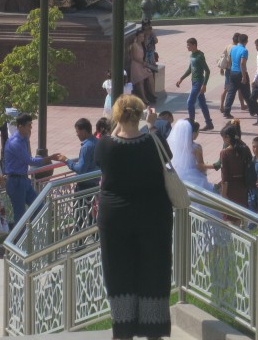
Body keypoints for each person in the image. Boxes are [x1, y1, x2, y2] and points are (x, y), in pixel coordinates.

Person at [95, 94, 172, 340]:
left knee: (118, 271)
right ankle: (153, 331)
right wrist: (150, 124)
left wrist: (118, 123)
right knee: (154, 268)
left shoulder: (105, 145)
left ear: (117, 116)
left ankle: (123, 330)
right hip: (153, 218)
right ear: (140, 114)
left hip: (115, 218)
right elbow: (166, 157)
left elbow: (107, 153)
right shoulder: (154, 140)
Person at [3, 113, 49, 225]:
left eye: (31, 125)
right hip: (15, 181)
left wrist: (27, 139)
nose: (30, 128)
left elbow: (28, 156)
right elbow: (29, 160)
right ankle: (18, 238)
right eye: (28, 125)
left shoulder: (23, 139)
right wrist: (49, 158)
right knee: (20, 215)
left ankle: (28, 231)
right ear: (20, 126)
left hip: (24, 179)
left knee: (39, 207)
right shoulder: (15, 142)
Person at [175, 37, 213, 130]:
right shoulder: (192, 55)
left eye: (189, 45)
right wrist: (181, 78)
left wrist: (204, 85)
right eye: (187, 45)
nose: (187, 47)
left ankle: (191, 124)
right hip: (194, 81)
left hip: (199, 82)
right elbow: (190, 69)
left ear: (194, 45)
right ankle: (209, 123)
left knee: (190, 102)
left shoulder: (199, 56)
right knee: (202, 103)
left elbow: (207, 71)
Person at [51, 118, 99, 190]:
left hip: (85, 186)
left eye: (77, 132)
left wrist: (66, 160)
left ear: (83, 132)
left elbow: (80, 169)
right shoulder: (97, 142)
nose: (77, 134)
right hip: (95, 183)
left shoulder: (86, 147)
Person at [217, 120, 254, 211]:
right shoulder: (245, 148)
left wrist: (224, 194)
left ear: (228, 138)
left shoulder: (225, 153)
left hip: (231, 187)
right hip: (243, 186)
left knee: (230, 215)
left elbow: (225, 176)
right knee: (240, 214)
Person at [167, 119, 211, 190]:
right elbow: (200, 165)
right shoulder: (196, 147)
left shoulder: (173, 145)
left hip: (177, 174)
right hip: (193, 177)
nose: (198, 133)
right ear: (193, 133)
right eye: (197, 131)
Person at [128, 29, 154, 104]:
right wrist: (142, 62)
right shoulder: (134, 45)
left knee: (150, 75)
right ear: (137, 37)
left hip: (142, 64)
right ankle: (144, 98)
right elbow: (133, 57)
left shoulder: (142, 44)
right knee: (140, 81)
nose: (142, 38)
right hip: (136, 64)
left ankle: (152, 94)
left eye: (143, 36)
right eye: (140, 36)